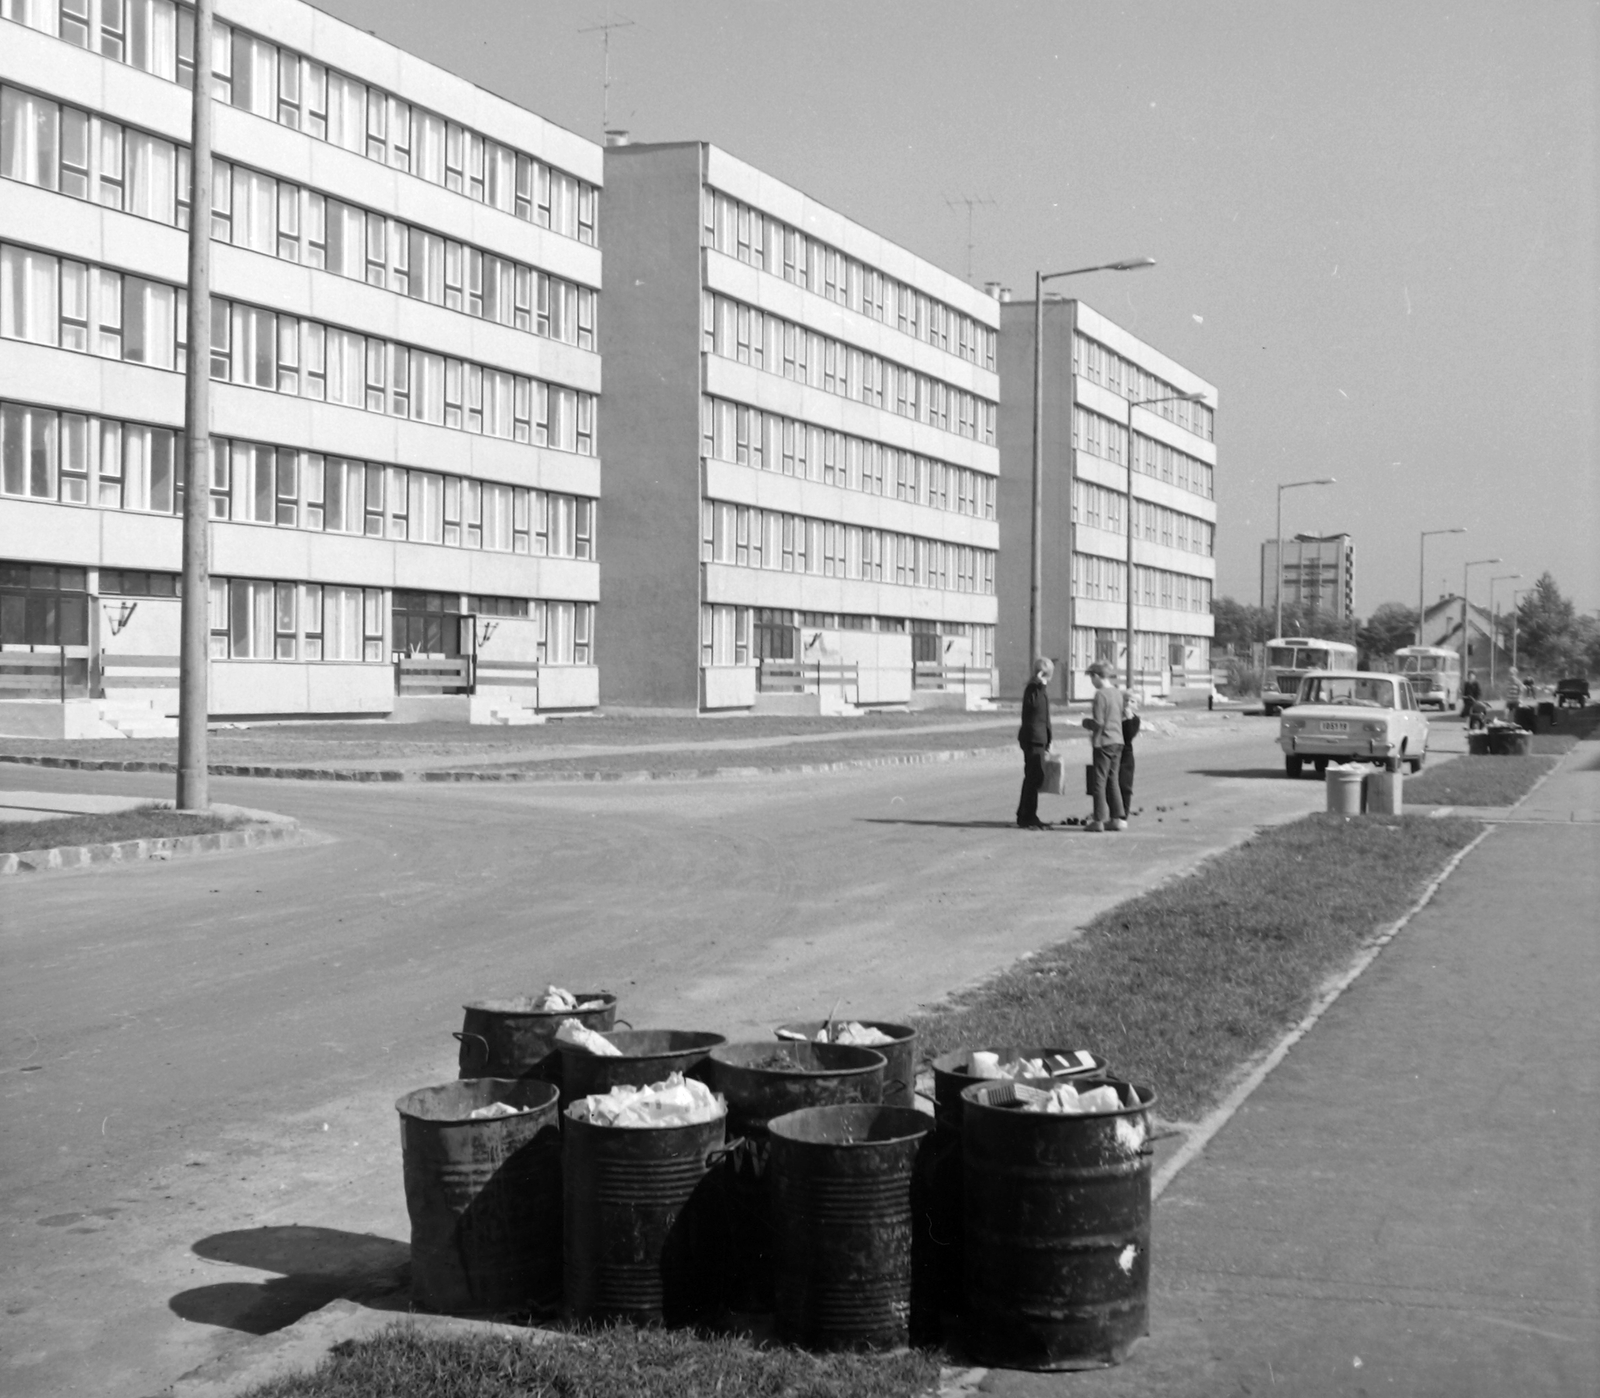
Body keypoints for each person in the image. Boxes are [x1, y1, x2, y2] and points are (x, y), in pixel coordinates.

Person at [1081, 663, 1127, 832]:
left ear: (1098, 676)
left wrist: (1085, 723)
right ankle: (1116, 818)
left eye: (1092, 677)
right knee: (1112, 780)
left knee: (1098, 781)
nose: (1092, 681)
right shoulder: (1117, 692)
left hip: (1104, 742)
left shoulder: (1100, 695)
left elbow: (1099, 722)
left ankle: (1098, 820)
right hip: (1118, 740)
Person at [1016, 657, 1053, 830]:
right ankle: (1027, 816)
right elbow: (1033, 707)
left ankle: (1025, 813)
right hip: (1032, 738)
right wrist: (1040, 684)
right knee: (1034, 777)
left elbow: (1045, 718)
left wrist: (1049, 740)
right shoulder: (1033, 689)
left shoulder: (1040, 690)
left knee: (1035, 776)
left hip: (1039, 738)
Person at [1118, 692, 1141, 817]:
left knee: (1124, 784)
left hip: (1126, 755)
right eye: (1126, 700)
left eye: (1132, 701)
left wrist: (1128, 719)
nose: (1128, 703)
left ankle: (1124, 813)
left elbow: (1129, 735)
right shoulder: (1115, 717)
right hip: (1112, 752)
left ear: (1137, 705)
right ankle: (1112, 813)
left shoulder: (1135, 720)